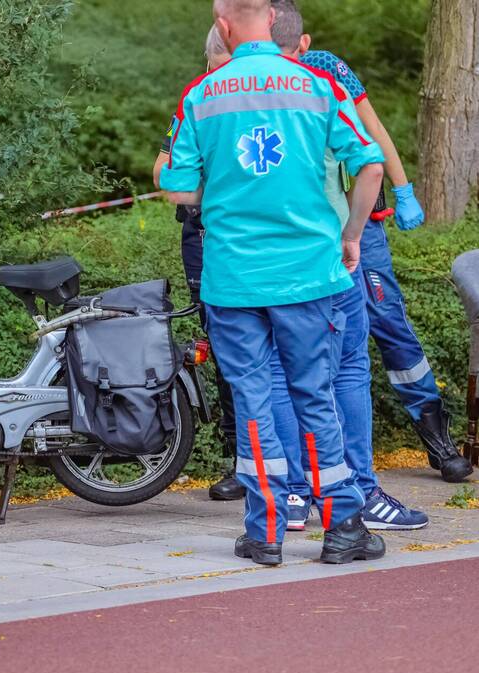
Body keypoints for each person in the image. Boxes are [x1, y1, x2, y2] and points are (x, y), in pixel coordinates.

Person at [155, 22, 429, 533]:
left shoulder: (205, 95)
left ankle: (271, 523)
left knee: (262, 390)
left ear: (223, 29)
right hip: (318, 267)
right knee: (331, 381)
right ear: (295, 38)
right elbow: (370, 159)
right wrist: (358, 232)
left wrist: (169, 176)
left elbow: (178, 187)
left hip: (236, 274)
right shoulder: (320, 82)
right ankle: (349, 510)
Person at [271, 0, 473, 485]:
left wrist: (403, 189)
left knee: (387, 321)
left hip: (361, 224)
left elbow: (374, 131)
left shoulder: (325, 68)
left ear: (303, 43)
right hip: (307, 232)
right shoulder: (253, 79)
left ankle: (436, 437)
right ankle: (309, 465)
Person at [153, 27, 243, 504]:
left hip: (251, 237)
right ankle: (240, 460)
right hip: (205, 237)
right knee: (225, 349)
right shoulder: (196, 95)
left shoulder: (266, 89)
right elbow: (162, 169)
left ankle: (278, 460)